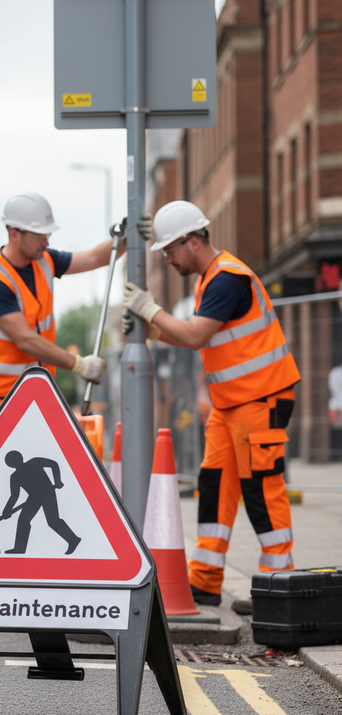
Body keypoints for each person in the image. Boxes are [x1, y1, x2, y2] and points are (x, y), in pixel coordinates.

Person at [122, 200, 301, 612]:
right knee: (214, 486)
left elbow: (195, 336)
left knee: (260, 489)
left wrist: (151, 311)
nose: (167, 260)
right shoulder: (210, 280)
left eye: (169, 251)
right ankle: (204, 581)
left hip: (261, 399)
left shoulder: (227, 279)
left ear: (192, 242)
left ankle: (278, 581)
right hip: (232, 405)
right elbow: (192, 334)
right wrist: (151, 327)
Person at [0, 191, 152, 452]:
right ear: (14, 234)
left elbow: (95, 258)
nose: (46, 240)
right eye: (40, 235)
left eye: (48, 234)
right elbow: (25, 339)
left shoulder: (45, 261)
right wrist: (79, 365)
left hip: (30, 397)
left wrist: (125, 240)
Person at [0, 450, 79, 555]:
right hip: (34, 498)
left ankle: (73, 539)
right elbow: (14, 495)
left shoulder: (34, 462)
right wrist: (7, 510)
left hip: (47, 493)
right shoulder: (15, 476)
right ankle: (19, 548)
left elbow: (53, 464)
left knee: (53, 521)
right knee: (23, 520)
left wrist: (57, 481)